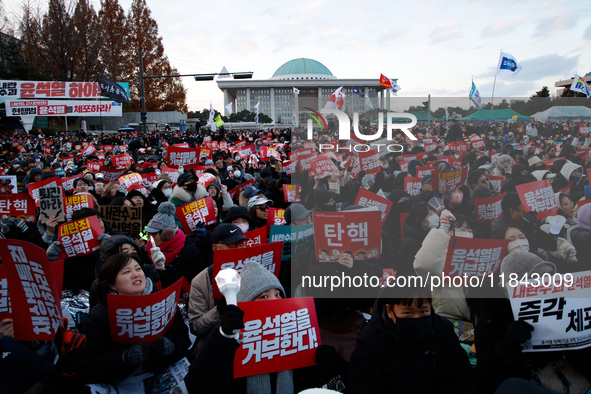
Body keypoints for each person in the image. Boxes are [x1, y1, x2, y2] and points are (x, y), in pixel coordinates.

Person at [83, 253, 190, 385]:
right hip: (121, 382)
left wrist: (172, 347)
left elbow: (183, 338)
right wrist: (124, 358)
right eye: (126, 272)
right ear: (112, 284)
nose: (136, 274)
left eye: (138, 269)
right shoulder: (99, 315)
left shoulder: (163, 301)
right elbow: (90, 363)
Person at [346, 288, 476, 393]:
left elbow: (462, 378)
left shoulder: (442, 330)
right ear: (389, 311)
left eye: (423, 311)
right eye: (408, 313)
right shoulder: (372, 340)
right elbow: (361, 386)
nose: (417, 318)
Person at [145, 202, 205, 282]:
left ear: (167, 235)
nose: (150, 238)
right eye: (149, 234)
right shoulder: (148, 251)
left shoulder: (190, 251)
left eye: (154, 234)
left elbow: (199, 281)